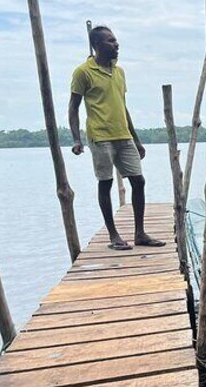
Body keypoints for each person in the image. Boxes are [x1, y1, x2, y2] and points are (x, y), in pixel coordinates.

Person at [69, 25, 164, 251]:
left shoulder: (119, 72)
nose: (116, 45)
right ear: (97, 46)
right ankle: (113, 235)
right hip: (100, 136)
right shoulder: (83, 72)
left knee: (138, 180)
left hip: (123, 135)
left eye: (116, 41)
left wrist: (136, 138)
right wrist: (76, 139)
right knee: (106, 182)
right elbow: (73, 108)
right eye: (111, 41)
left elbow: (123, 106)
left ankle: (140, 233)